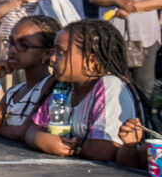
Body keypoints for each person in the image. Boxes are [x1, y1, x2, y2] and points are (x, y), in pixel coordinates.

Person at [17, 19, 149, 165]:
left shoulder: (109, 85)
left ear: (91, 60)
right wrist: (40, 139)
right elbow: (32, 129)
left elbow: (103, 149)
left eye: (62, 52)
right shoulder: (63, 86)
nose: (53, 58)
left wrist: (73, 146)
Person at [0, 14, 59, 139]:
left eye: (24, 45)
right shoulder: (14, 92)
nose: (12, 50)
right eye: (11, 42)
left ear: (47, 53)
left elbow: (21, 132)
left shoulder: (49, 86)